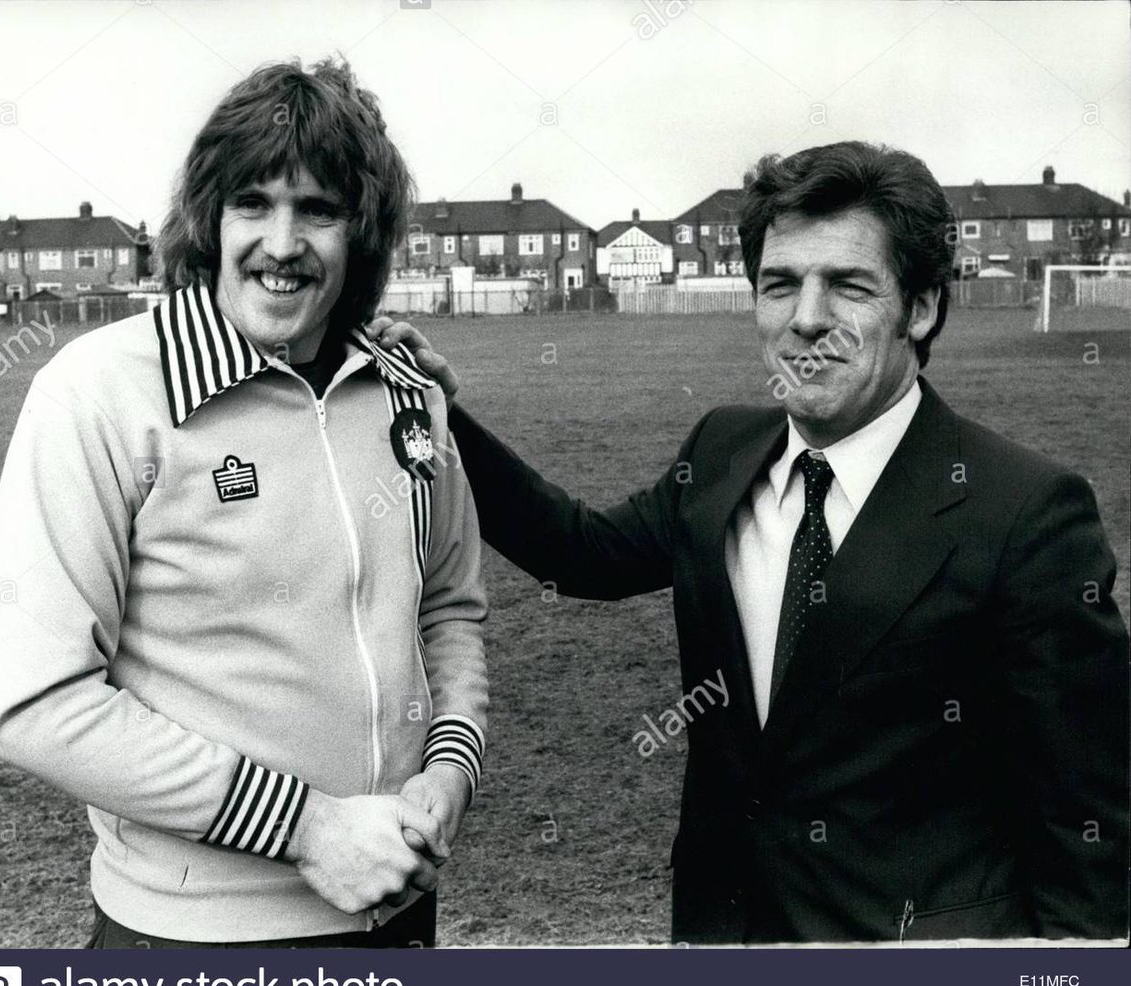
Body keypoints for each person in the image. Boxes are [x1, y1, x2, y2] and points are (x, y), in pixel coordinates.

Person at [377, 141, 1128, 944]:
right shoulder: (723, 451)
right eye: (780, 285)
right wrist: (443, 419)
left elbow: (1087, 816)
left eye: (847, 285)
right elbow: (581, 552)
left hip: (918, 977)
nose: (807, 317)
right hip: (721, 947)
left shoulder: (1026, 512)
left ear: (920, 308)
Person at [0, 57, 488, 948]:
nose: (282, 244)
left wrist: (448, 770)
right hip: (192, 943)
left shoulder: (408, 390)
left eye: (318, 210)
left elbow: (449, 607)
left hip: (401, 908)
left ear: (360, 231)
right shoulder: (97, 394)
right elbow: (34, 704)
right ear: (208, 219)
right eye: (253, 203)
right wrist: (309, 829)